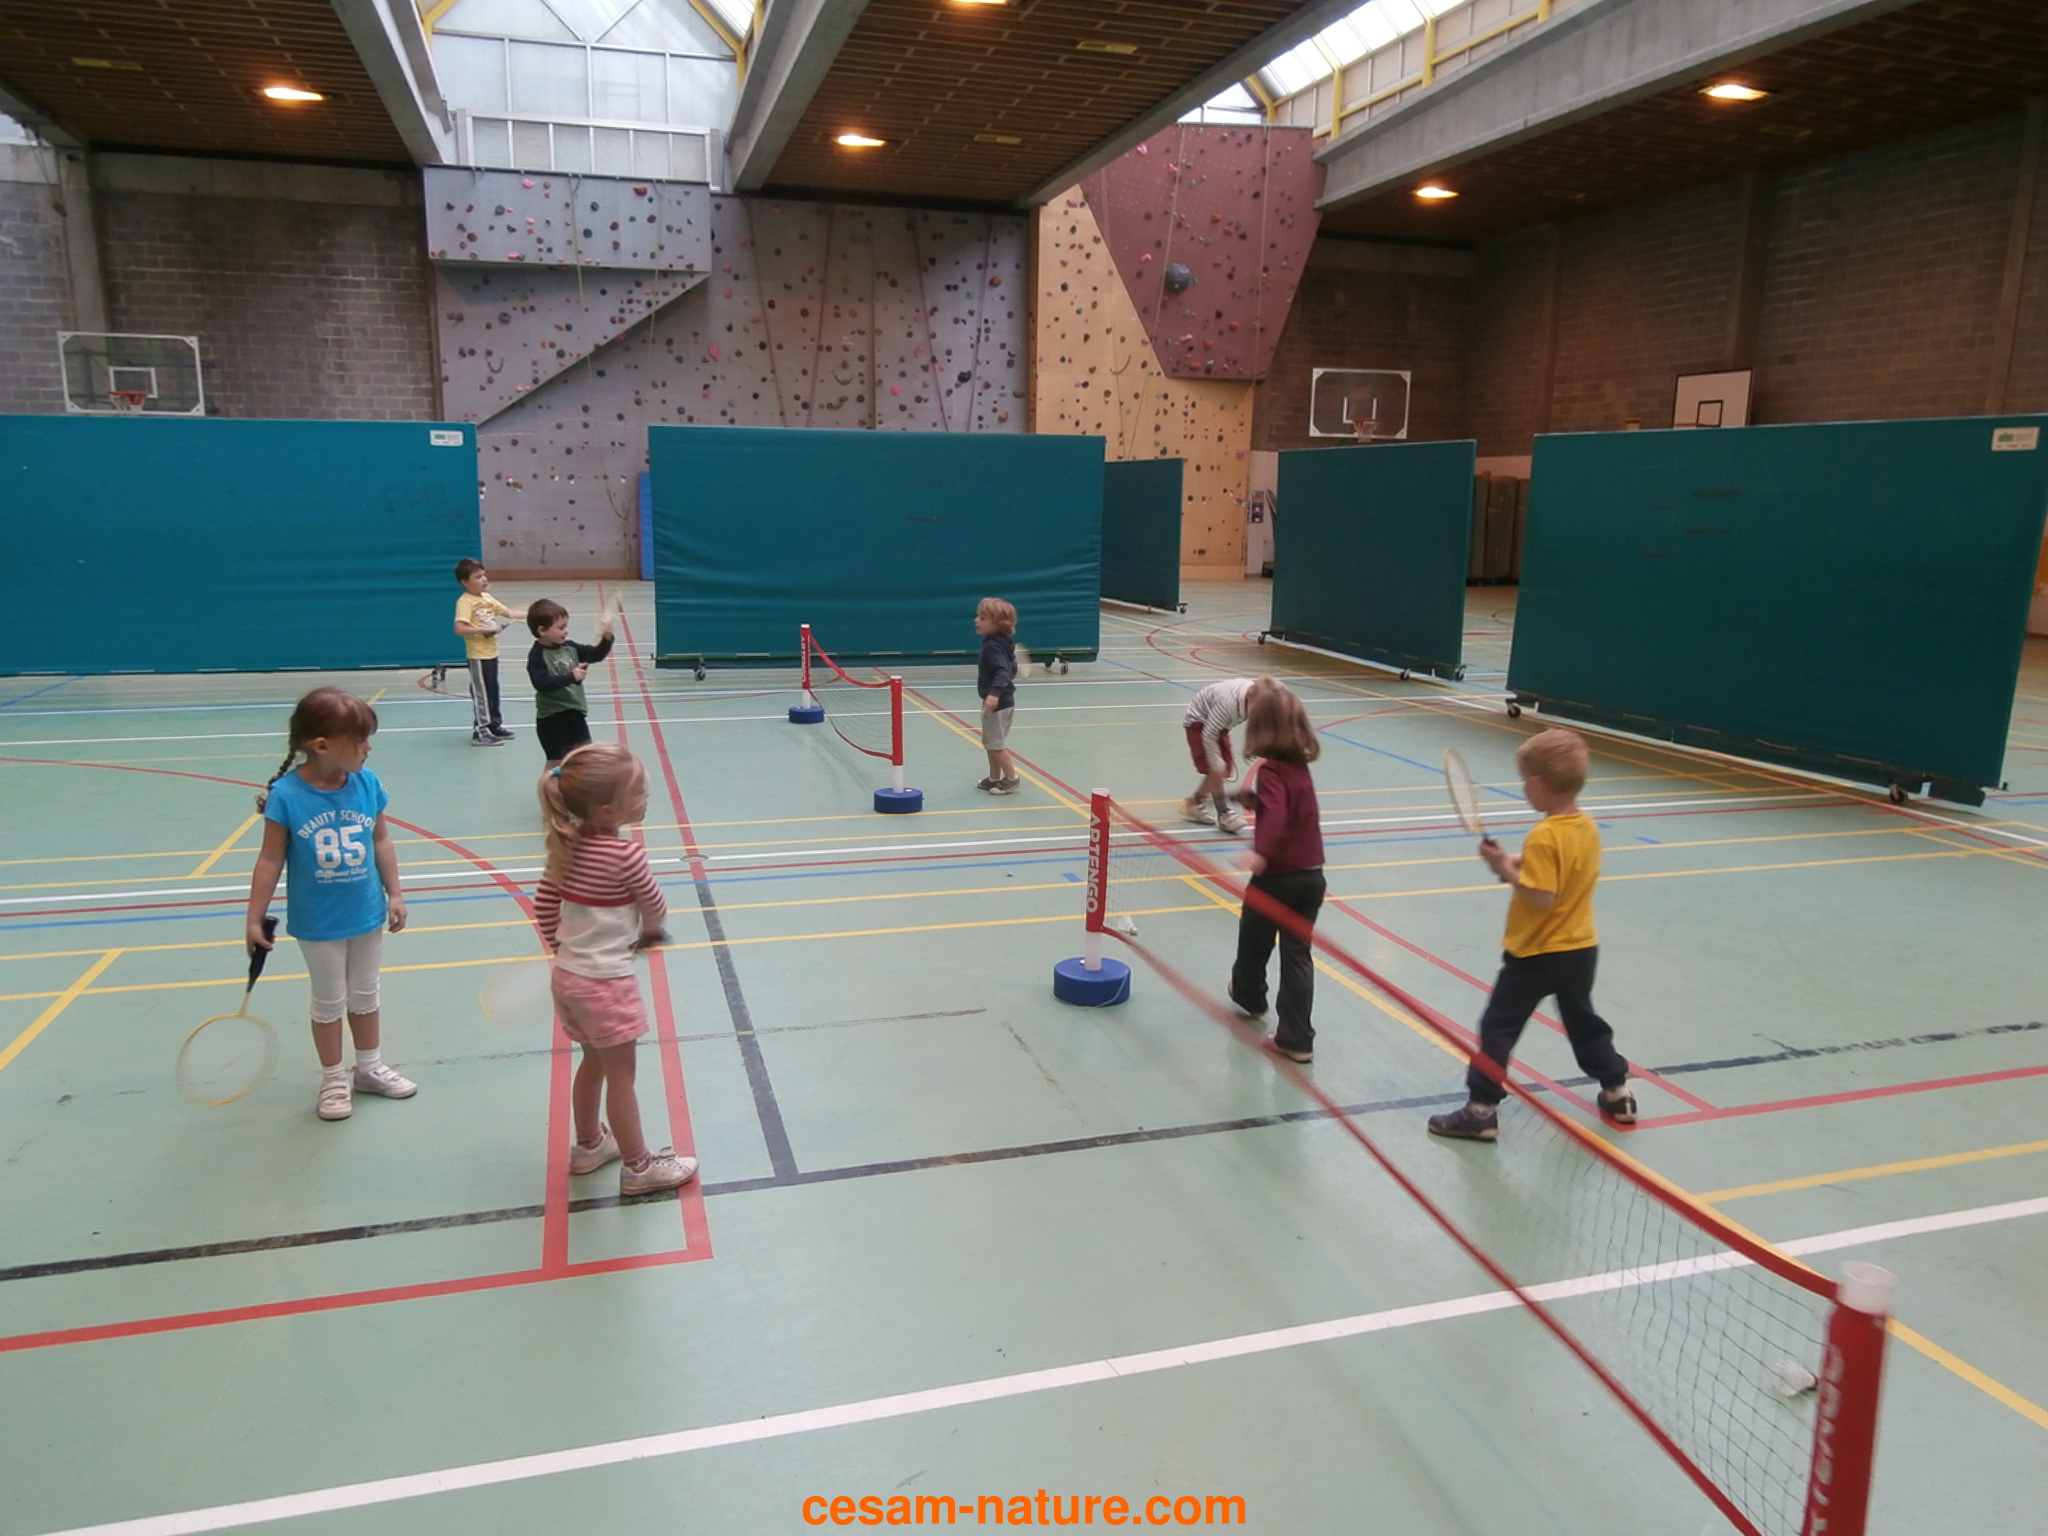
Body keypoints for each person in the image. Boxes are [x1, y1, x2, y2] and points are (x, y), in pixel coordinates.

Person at [1428, 728, 1637, 1142]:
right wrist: (1510, 859)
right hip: (1580, 950)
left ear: (1540, 784)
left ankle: (1481, 1110)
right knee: (1584, 1022)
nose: (1523, 787)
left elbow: (1542, 894)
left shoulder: (1543, 835)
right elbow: (1559, 867)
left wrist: (1503, 869)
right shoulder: (1585, 826)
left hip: (1536, 954)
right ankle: (1617, 1090)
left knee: (1498, 1027)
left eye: (1525, 780)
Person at [245, 687, 414, 1122]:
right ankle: (334, 1077)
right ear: (322, 745)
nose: (368, 748)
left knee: (366, 993)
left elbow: (381, 840)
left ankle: (369, 1068)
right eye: (359, 741)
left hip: (366, 913)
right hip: (318, 922)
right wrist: (253, 918)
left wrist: (395, 892)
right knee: (328, 999)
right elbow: (269, 860)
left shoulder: (367, 784)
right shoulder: (287, 795)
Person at [536, 744, 699, 1196]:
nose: (647, 795)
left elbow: (544, 908)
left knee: (592, 1062)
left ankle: (589, 1145)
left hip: (568, 979)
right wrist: (650, 933)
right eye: (639, 790)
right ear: (608, 809)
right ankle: (638, 1167)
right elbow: (655, 905)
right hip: (606, 986)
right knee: (622, 1076)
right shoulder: (626, 856)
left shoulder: (565, 848)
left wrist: (561, 949)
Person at [1226, 679, 1325, 1064]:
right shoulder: (1299, 769)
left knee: (1253, 942)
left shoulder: (1270, 771)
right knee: (1297, 956)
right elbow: (1293, 809)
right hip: (1311, 876)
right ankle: (1297, 1039)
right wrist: (1253, 800)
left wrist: (1260, 854)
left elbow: (1280, 817)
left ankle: (1249, 996)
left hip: (1276, 879)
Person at [525, 597, 615, 764]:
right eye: (561, 628)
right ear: (542, 630)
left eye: (566, 626)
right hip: (552, 718)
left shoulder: (571, 647)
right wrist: (571, 677)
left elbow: (595, 654)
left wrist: (607, 638)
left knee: (583, 758)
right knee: (557, 763)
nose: (566, 631)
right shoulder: (537, 655)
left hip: (575, 714)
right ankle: (549, 782)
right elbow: (542, 684)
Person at [454, 558, 523, 747]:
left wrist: (533, 614)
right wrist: (486, 629)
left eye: (484, 575)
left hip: (492, 654)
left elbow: (509, 613)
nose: (484, 579)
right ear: (465, 582)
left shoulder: (487, 598)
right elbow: (459, 628)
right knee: (482, 695)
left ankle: (495, 725)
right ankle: (481, 732)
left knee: (493, 691)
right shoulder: (465, 602)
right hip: (478, 656)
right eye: (478, 577)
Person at [1181, 676, 1255, 831]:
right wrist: (1215, 765)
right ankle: (1223, 813)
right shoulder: (1228, 705)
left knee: (1224, 770)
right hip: (1199, 722)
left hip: (1219, 724)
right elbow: (1208, 736)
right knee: (1216, 769)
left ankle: (1193, 802)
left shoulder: (1259, 697)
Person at [974, 597, 1020, 795]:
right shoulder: (1003, 643)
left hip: (998, 704)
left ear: (998, 624)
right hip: (1003, 702)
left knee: (995, 745)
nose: (976, 620)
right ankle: (994, 778)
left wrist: (993, 695)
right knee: (990, 743)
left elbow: (1003, 671)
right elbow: (1012, 669)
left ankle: (1011, 778)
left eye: (983, 618)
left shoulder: (993, 646)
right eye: (978, 616)